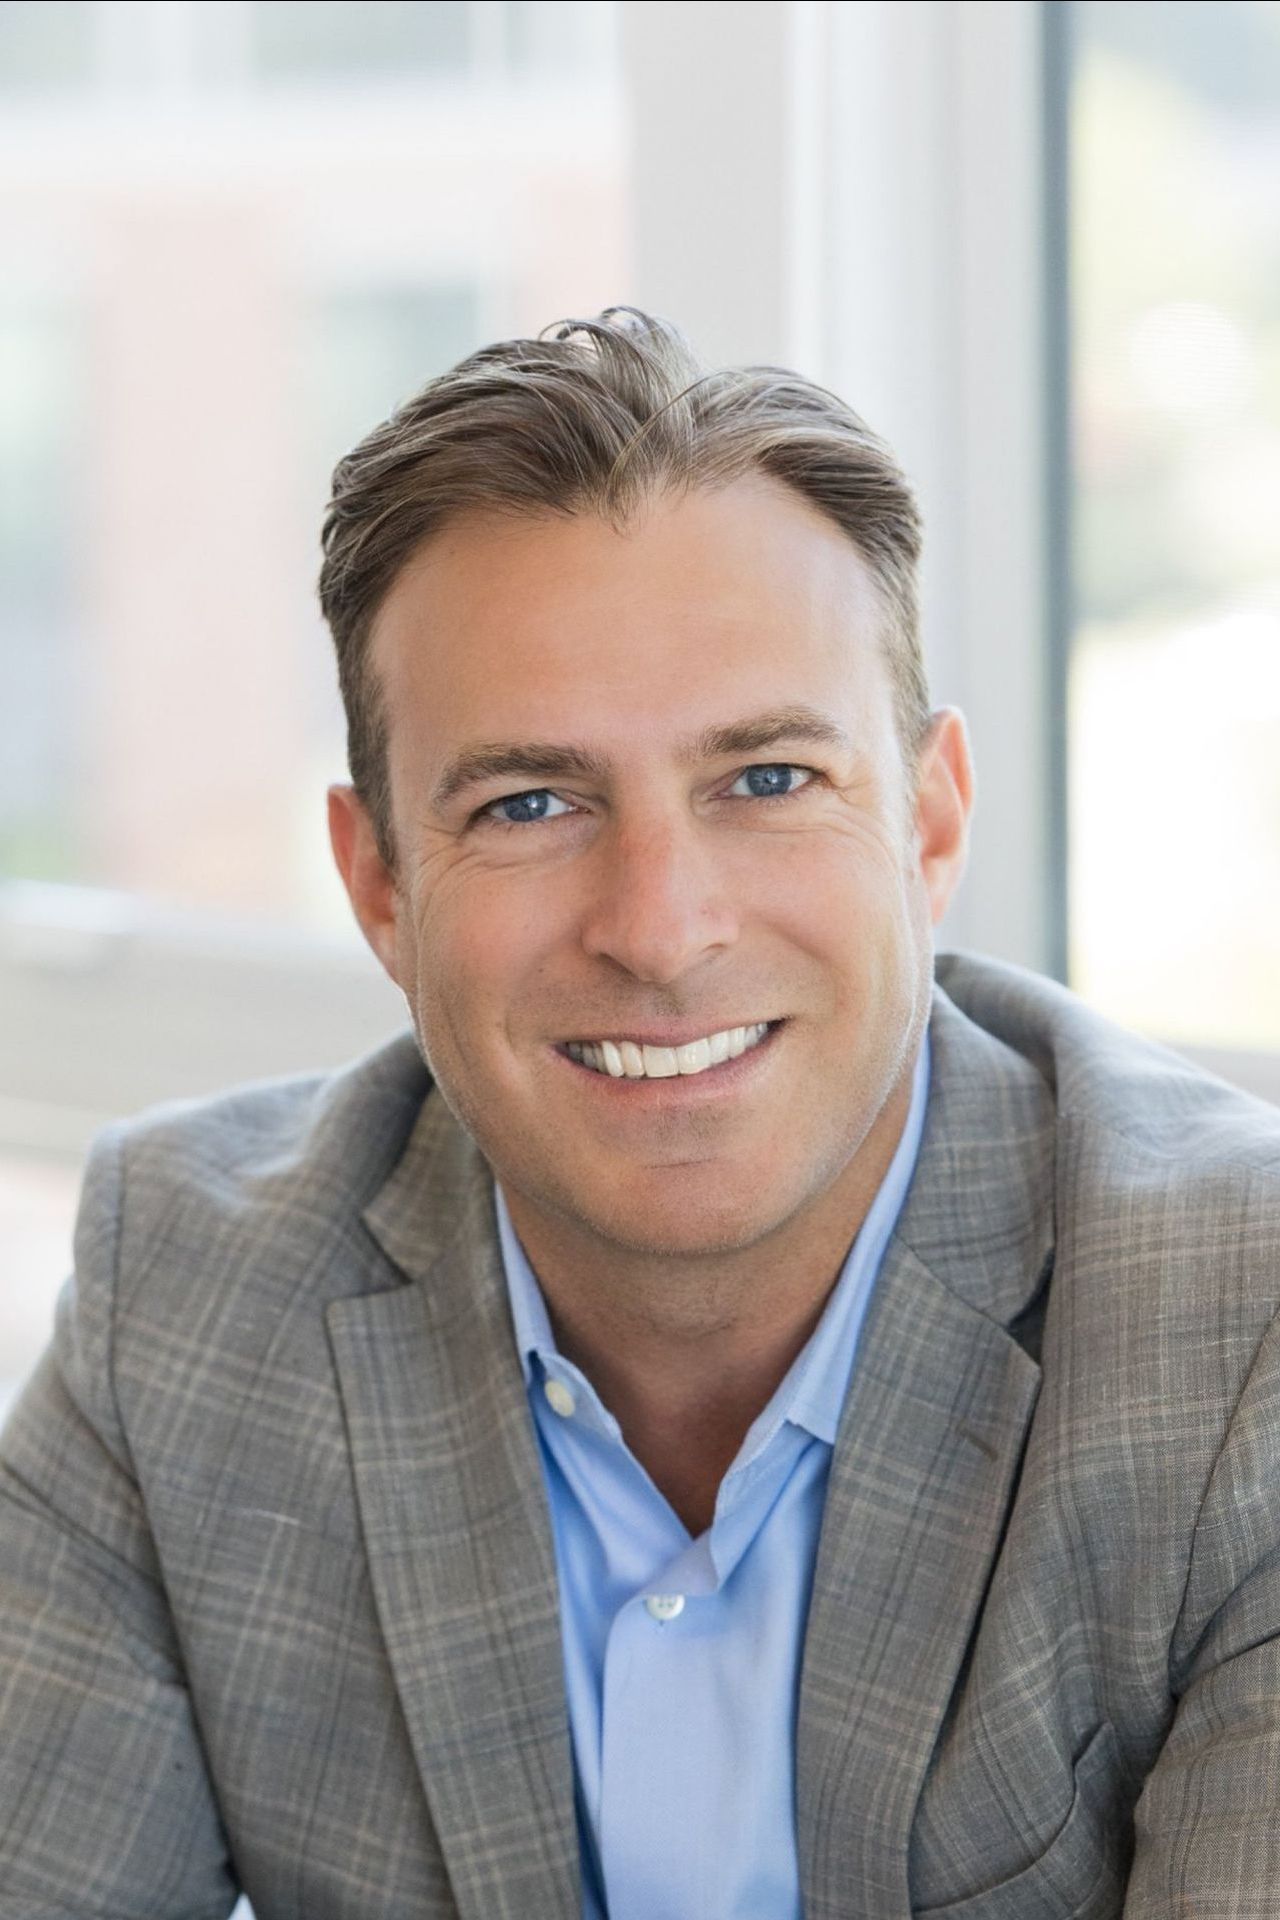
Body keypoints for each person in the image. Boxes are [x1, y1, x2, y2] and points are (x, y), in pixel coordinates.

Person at [2, 308, 1279, 1920]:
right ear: (381, 882)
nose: (661, 929)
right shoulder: (180, 1297)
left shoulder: (1243, 1336)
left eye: (766, 781)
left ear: (931, 824)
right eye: (530, 803)